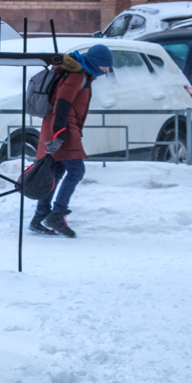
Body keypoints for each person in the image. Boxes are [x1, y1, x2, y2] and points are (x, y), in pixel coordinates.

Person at [31, 43, 113, 238]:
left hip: (62, 127)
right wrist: (59, 134)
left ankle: (40, 215)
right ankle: (57, 214)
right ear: (96, 63)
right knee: (76, 171)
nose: (106, 70)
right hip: (62, 128)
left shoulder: (83, 75)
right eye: (105, 66)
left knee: (57, 170)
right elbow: (62, 105)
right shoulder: (77, 76)